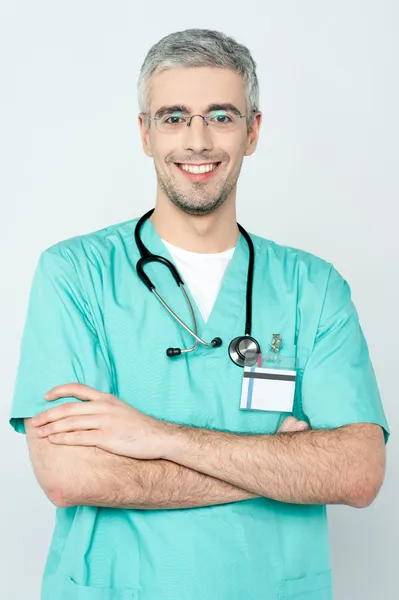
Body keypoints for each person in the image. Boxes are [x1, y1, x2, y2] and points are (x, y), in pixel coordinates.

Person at [10, 28, 389, 600]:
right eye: (173, 117)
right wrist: (275, 467)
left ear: (253, 130)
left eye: (220, 115)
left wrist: (157, 437)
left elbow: (358, 472)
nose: (197, 139)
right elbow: (70, 475)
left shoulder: (313, 288)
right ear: (144, 133)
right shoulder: (75, 275)